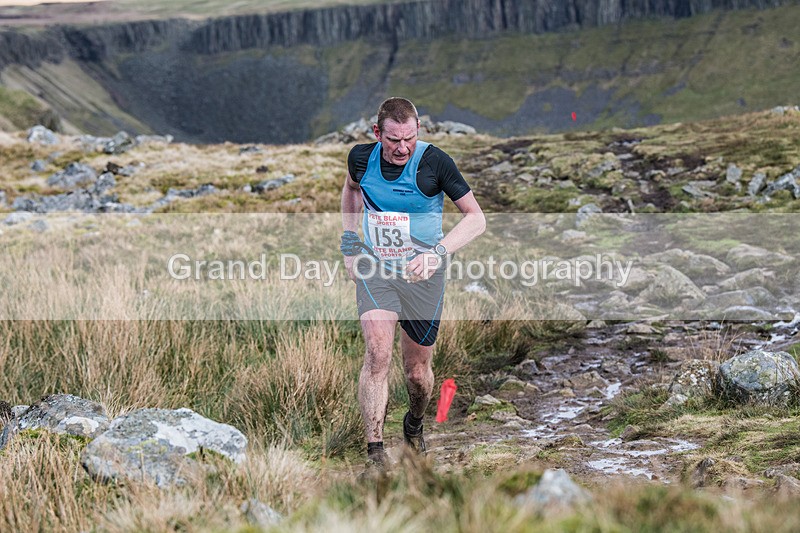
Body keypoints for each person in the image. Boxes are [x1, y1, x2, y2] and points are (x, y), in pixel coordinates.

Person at [340, 97, 485, 468]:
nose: (402, 147)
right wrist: (350, 240)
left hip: (424, 275)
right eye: (393, 140)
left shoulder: (435, 162)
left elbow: (475, 219)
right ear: (377, 134)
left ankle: (415, 423)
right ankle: (375, 454)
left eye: (409, 138)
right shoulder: (360, 157)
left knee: (417, 374)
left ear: (417, 131)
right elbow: (352, 190)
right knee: (376, 356)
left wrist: (436, 252)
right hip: (377, 269)